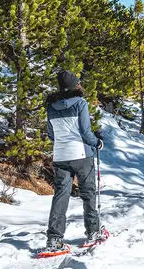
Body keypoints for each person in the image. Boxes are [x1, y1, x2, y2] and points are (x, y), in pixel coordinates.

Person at [44, 70, 107, 252]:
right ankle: (93, 231)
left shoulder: (51, 106)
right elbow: (86, 132)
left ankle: (54, 239)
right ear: (74, 85)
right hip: (81, 155)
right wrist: (98, 143)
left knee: (61, 195)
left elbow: (51, 134)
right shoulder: (81, 103)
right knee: (88, 193)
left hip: (61, 155)